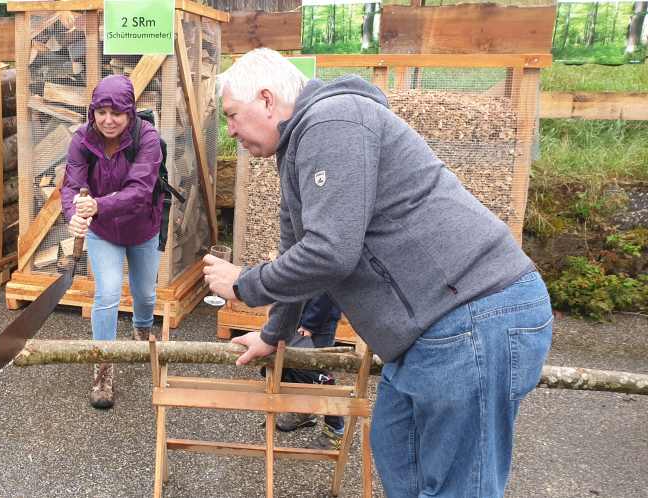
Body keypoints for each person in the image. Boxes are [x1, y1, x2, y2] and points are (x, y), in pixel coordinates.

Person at [202, 48, 552, 498]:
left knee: (459, 486)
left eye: (232, 115)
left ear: (267, 100)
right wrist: (274, 334)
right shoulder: (296, 150)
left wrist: (244, 283)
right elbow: (298, 252)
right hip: (428, 332)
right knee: (394, 447)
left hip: (472, 316)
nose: (230, 130)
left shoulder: (332, 121)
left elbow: (331, 253)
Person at [61, 75, 164, 410]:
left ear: (129, 112)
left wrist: (97, 206)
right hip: (104, 231)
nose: (107, 120)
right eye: (101, 112)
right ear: (92, 111)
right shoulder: (82, 139)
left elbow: (140, 191)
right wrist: (73, 214)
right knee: (106, 293)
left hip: (142, 227)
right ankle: (103, 368)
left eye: (116, 113)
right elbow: (71, 186)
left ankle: (142, 331)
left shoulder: (147, 138)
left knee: (145, 294)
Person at [266, 294, 345, 449]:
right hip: (298, 315)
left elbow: (327, 290)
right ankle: (305, 412)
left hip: (319, 322)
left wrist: (310, 324)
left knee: (320, 377)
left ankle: (336, 431)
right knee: (295, 369)